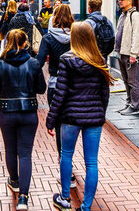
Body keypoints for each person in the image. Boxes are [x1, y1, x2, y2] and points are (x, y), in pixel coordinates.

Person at [48, 22, 113, 211]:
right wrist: (101, 113)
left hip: (71, 118)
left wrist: (51, 119)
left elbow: (60, 93)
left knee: (66, 155)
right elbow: (104, 93)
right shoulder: (99, 59)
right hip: (94, 118)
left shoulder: (67, 59)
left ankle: (65, 198)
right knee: (91, 162)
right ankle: (86, 207)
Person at [0, 29, 46, 210]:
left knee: (10, 149)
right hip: (29, 112)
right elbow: (41, 89)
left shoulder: (0, 63)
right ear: (24, 43)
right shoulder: (34, 63)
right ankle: (23, 197)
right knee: (26, 153)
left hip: (7, 112)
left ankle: (14, 180)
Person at [37, 4, 74, 158]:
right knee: (73, 122)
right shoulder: (77, 36)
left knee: (58, 122)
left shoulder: (48, 38)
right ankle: (69, 154)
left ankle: (63, 157)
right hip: (74, 84)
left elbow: (38, 62)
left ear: (55, 18)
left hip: (56, 83)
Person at [115, 0, 139, 116]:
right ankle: (128, 103)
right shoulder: (123, 15)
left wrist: (133, 54)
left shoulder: (135, 16)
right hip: (121, 52)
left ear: (130, 1)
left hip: (130, 54)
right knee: (126, 81)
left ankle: (134, 106)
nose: (120, 1)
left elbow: (137, 36)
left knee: (133, 81)